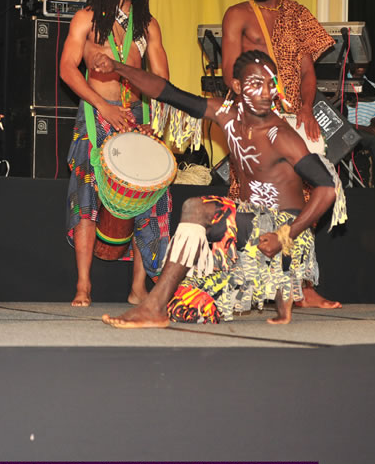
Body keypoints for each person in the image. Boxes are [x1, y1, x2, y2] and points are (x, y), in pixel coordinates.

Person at [96, 50, 343, 328]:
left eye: (271, 84)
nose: (266, 92)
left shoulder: (281, 135)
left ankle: (153, 306)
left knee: (194, 208)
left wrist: (283, 236)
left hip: (285, 236)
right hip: (248, 234)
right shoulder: (226, 115)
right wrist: (117, 66)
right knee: (188, 306)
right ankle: (170, 303)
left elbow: (327, 188)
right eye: (256, 84)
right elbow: (167, 93)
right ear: (237, 87)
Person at [221, 0, 341, 309]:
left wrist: (305, 108)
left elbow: (307, 73)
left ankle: (300, 286)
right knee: (250, 198)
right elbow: (231, 72)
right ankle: (250, 282)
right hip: (256, 117)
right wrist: (261, 107)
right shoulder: (237, 15)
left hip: (292, 120)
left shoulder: (298, 15)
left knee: (304, 198)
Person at [60, 0, 171, 307]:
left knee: (147, 202)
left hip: (138, 119)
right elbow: (67, 69)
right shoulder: (87, 19)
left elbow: (161, 81)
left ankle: (139, 287)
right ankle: (83, 285)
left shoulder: (147, 25)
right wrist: (103, 106)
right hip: (97, 115)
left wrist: (155, 122)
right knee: (86, 203)